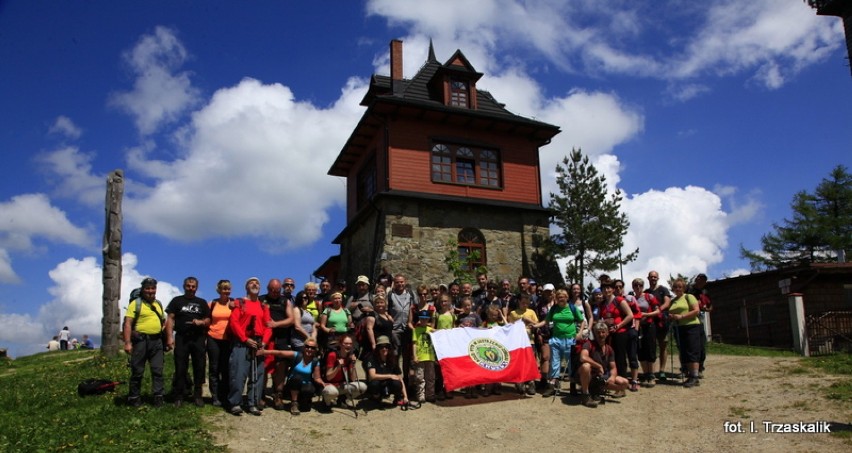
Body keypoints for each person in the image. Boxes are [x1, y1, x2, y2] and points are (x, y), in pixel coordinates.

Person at [227, 277, 272, 416]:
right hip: (242, 342)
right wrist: (245, 339)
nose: (255, 284)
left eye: (257, 283)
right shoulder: (240, 303)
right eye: (251, 283)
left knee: (257, 375)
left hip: (258, 343)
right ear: (246, 287)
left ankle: (253, 403)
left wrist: (264, 342)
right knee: (239, 373)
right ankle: (235, 403)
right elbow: (234, 322)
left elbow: (268, 326)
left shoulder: (264, 306)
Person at [165, 276, 211, 407]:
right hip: (182, 338)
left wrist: (201, 322)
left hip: (198, 338)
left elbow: (208, 320)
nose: (191, 288)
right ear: (184, 286)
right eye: (188, 286)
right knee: (180, 367)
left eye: (193, 286)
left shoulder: (201, 302)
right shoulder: (176, 301)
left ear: (196, 288)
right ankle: (179, 395)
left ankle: (198, 395)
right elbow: (170, 319)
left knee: (199, 367)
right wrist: (169, 337)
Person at [124, 277, 168, 407]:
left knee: (157, 370)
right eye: (148, 288)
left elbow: (163, 321)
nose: (150, 291)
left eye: (153, 288)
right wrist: (127, 342)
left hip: (157, 341)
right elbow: (128, 324)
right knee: (137, 371)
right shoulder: (136, 304)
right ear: (143, 290)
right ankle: (134, 397)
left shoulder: (158, 304)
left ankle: (158, 397)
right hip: (140, 340)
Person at [535, 288, 585, 397]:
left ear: (567, 297)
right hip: (556, 339)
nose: (561, 299)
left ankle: (572, 386)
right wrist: (535, 326)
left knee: (570, 363)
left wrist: (579, 333)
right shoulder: (554, 309)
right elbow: (546, 321)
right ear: (556, 298)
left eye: (563, 297)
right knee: (555, 362)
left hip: (570, 339)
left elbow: (582, 321)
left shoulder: (572, 308)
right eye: (558, 297)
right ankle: (552, 386)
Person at [257, 338, 326, 415]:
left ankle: (302, 401)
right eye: (307, 347)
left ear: (315, 350)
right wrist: (265, 351)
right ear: (304, 347)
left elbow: (317, 378)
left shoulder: (315, 361)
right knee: (297, 378)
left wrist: (323, 383)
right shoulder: (298, 355)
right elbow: (280, 353)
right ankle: (294, 403)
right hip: (292, 385)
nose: (309, 349)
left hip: (304, 387)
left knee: (306, 403)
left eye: (312, 348)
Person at [576, 321, 630, 407]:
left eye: (603, 332)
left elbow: (613, 368)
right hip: (589, 375)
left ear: (607, 333)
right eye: (598, 333)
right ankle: (585, 394)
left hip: (602, 377)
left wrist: (612, 378)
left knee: (624, 382)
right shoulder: (589, 344)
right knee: (586, 366)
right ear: (594, 334)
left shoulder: (609, 349)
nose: (601, 335)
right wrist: (598, 365)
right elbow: (583, 357)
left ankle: (599, 389)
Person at [261, 278, 295, 410]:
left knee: (281, 366)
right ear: (268, 289)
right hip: (264, 337)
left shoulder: (285, 301)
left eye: (277, 290)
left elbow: (291, 319)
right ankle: (261, 394)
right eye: (272, 290)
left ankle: (278, 394)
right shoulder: (261, 299)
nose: (275, 293)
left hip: (281, 337)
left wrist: (276, 324)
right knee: (263, 365)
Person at [597, 278, 634, 394]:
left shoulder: (619, 300)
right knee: (609, 359)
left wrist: (618, 326)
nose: (606, 290)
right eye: (604, 288)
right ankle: (610, 384)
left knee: (620, 358)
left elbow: (630, 315)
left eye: (608, 288)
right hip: (608, 335)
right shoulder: (602, 304)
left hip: (620, 333)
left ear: (612, 289)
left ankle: (622, 386)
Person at [669, 279, 702, 388]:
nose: (678, 289)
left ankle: (695, 376)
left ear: (684, 288)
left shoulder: (689, 297)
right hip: (679, 327)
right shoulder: (673, 300)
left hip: (691, 326)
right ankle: (690, 374)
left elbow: (696, 310)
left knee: (692, 350)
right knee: (684, 351)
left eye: (680, 287)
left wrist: (682, 316)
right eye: (676, 287)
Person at [320, 334, 367, 410]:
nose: (348, 345)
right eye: (346, 343)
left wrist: (352, 364)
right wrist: (338, 367)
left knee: (362, 387)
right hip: (330, 385)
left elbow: (353, 379)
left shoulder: (350, 357)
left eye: (350, 344)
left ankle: (342, 399)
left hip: (342, 384)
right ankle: (327, 402)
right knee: (332, 392)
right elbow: (328, 377)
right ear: (340, 344)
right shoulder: (332, 355)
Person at [364, 335, 411, 409]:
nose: (384, 349)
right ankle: (376, 397)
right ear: (377, 348)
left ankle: (397, 398)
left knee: (397, 383)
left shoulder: (393, 359)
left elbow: (400, 378)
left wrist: (405, 397)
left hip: (389, 384)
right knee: (374, 384)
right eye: (381, 347)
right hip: (378, 383)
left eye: (386, 347)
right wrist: (390, 376)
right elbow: (372, 376)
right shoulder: (372, 358)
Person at [207, 279, 234, 407]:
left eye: (228, 289)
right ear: (219, 290)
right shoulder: (212, 304)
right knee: (214, 367)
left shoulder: (234, 304)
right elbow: (207, 320)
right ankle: (215, 396)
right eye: (224, 289)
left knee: (226, 368)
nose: (226, 291)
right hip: (213, 337)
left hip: (228, 339)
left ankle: (225, 395)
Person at [631, 278, 660, 388]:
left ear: (643, 286)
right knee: (640, 350)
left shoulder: (649, 296)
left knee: (650, 349)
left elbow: (657, 310)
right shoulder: (631, 298)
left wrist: (646, 315)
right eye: (635, 285)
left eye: (640, 285)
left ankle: (651, 375)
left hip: (649, 325)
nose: (638, 287)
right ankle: (645, 374)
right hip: (637, 327)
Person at [507, 293, 538, 396]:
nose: (524, 305)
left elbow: (536, 324)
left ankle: (531, 382)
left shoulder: (531, 312)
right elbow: (510, 327)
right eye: (522, 303)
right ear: (519, 302)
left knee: (530, 361)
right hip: (517, 343)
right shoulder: (513, 313)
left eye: (526, 303)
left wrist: (529, 322)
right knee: (519, 362)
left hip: (530, 341)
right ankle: (519, 381)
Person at [388, 273, 415, 384]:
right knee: (395, 354)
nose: (400, 284)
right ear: (394, 283)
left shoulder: (410, 295)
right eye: (397, 282)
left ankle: (406, 378)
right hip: (395, 329)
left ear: (405, 282)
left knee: (406, 356)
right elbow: (386, 309)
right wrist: (389, 318)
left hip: (406, 329)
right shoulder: (390, 295)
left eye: (402, 282)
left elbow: (412, 309)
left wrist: (410, 322)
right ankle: (396, 376)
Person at [646, 270, 673, 382]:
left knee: (663, 345)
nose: (653, 278)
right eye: (651, 277)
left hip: (662, 320)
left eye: (655, 277)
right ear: (648, 278)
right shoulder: (646, 292)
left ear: (658, 278)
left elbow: (667, 302)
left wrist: (658, 310)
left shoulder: (663, 289)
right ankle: (651, 371)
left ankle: (662, 370)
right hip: (650, 321)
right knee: (651, 346)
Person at [432, 294, 456, 400]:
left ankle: (449, 389)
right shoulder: (436, 314)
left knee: (449, 367)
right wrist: (440, 332)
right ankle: (440, 390)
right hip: (439, 343)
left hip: (449, 344)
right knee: (439, 368)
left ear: (449, 302)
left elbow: (454, 328)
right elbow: (432, 328)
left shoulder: (452, 315)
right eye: (442, 301)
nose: (443, 303)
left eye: (446, 301)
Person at [411, 310, 436, 405]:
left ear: (428, 319)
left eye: (425, 319)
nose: (423, 320)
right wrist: (414, 355)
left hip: (430, 356)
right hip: (420, 357)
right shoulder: (415, 330)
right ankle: (421, 395)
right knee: (419, 377)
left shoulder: (431, 330)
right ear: (419, 319)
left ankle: (430, 395)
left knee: (431, 377)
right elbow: (414, 344)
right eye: (422, 319)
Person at [690, 273, 712, 377]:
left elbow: (710, 306)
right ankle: (687, 368)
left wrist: (706, 308)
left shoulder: (705, 292)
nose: (701, 281)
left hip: (700, 319)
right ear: (696, 279)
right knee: (689, 345)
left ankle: (700, 367)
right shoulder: (689, 290)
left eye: (703, 280)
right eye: (699, 279)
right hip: (689, 319)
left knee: (701, 345)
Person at [533, 283, 555, 388]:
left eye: (550, 292)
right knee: (545, 356)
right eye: (546, 292)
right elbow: (537, 320)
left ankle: (554, 380)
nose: (548, 294)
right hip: (544, 333)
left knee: (555, 357)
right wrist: (538, 334)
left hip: (557, 333)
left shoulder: (559, 304)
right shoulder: (539, 305)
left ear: (553, 292)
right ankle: (544, 379)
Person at [363, 294, 394, 366]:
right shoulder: (372, 315)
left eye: (381, 302)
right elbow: (369, 329)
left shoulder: (387, 315)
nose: (379, 304)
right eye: (377, 303)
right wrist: (373, 344)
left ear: (385, 304)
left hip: (387, 343)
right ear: (374, 304)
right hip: (378, 344)